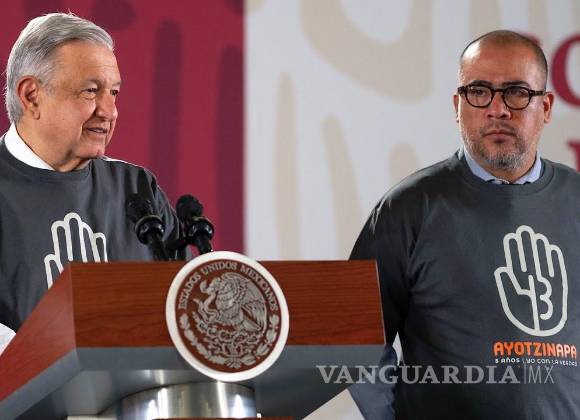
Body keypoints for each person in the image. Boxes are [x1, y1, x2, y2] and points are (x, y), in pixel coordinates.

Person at [351, 30, 580, 418]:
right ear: (458, 105)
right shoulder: (408, 208)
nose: (497, 109)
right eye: (479, 91)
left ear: (546, 107)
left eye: (517, 92)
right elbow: (353, 338)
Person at [0, 13, 188, 343]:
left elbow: (187, 309)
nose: (109, 111)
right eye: (90, 91)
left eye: (113, 92)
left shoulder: (136, 189)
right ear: (31, 96)